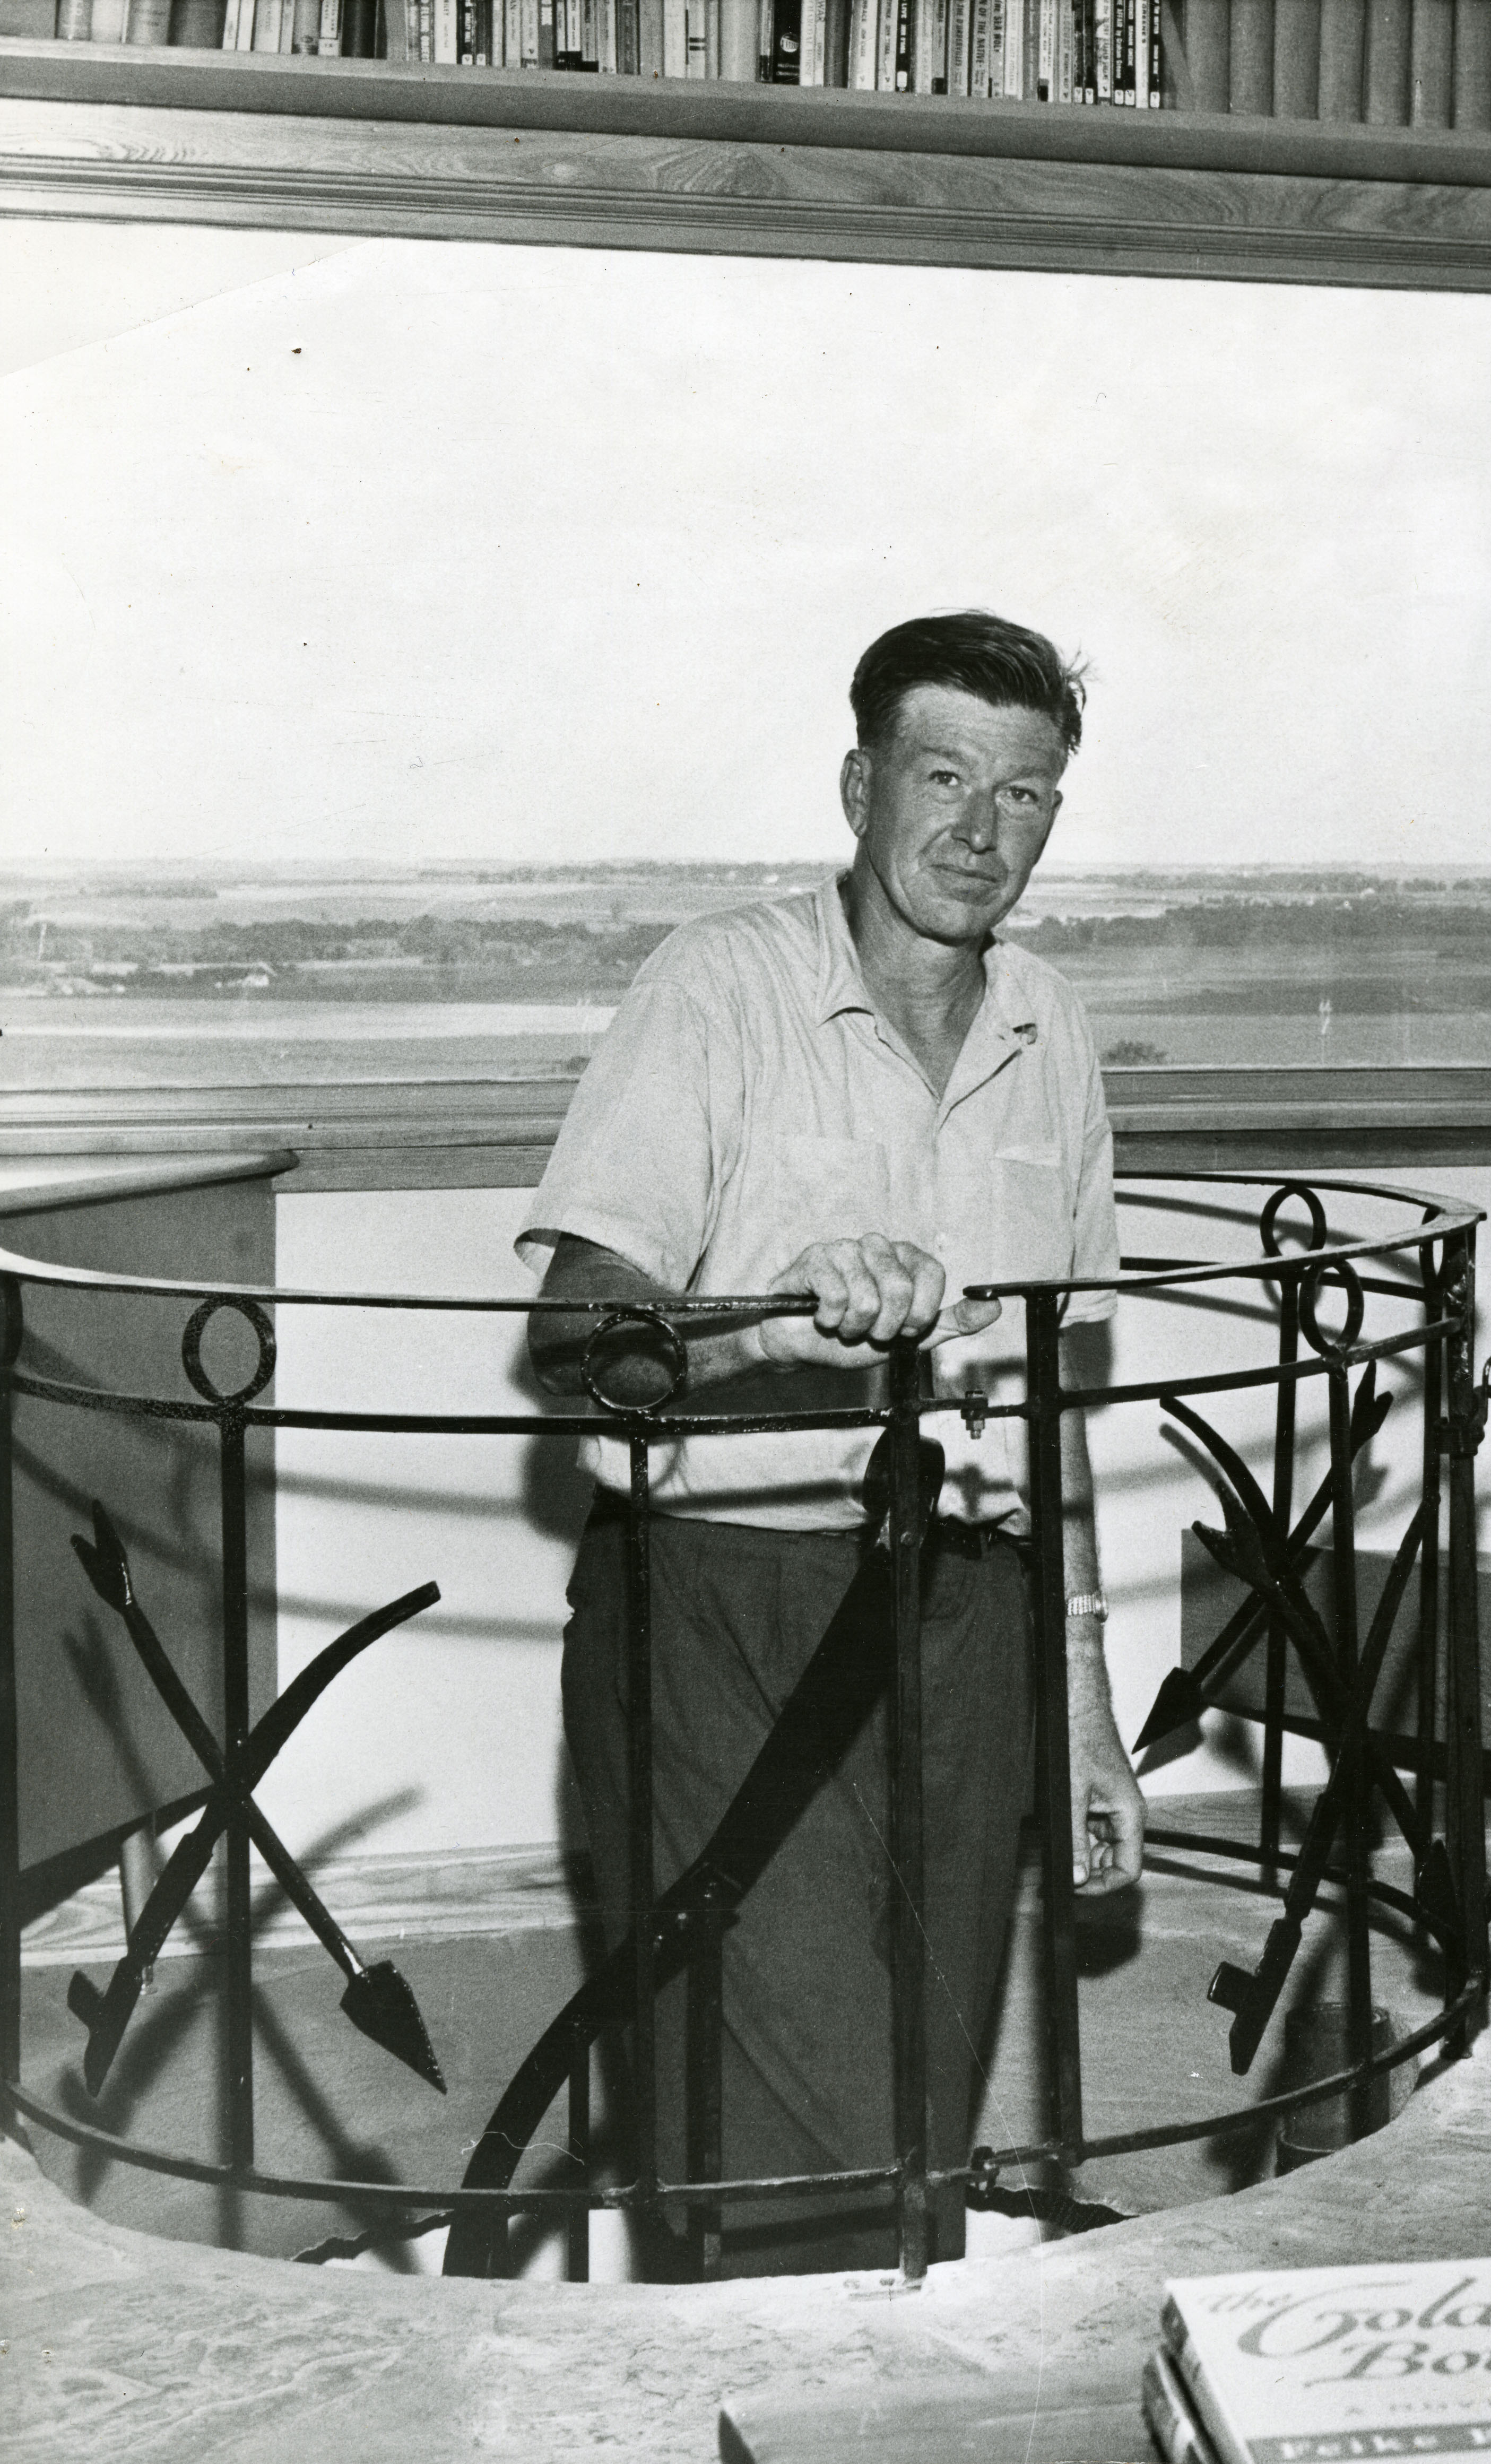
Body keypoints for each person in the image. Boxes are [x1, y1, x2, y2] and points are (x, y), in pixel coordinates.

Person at [518, 610, 1143, 2277]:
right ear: (860, 783)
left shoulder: (1053, 1029)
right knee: (784, 2130)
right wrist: (779, 1320)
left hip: (968, 1616)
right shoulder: (720, 984)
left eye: (1023, 793)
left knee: (922, 2117)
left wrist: (1084, 1705)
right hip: (731, 1604)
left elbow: (1057, 1387)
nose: (977, 830)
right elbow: (575, 1335)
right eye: (942, 777)